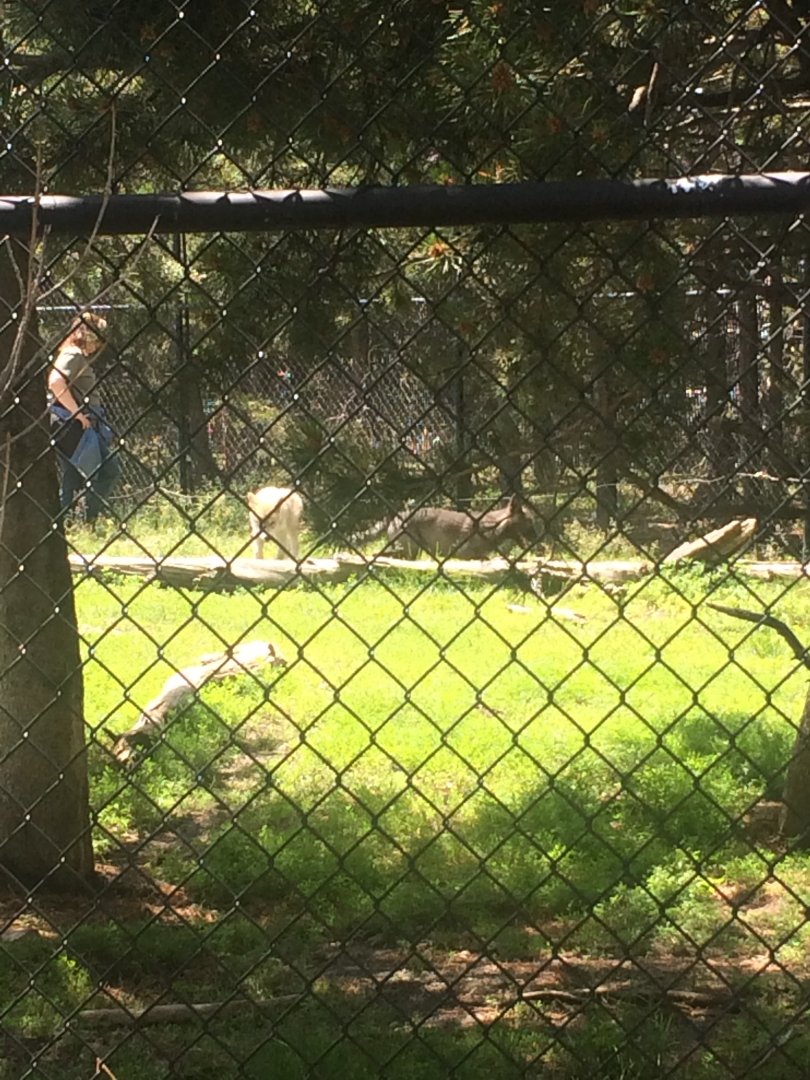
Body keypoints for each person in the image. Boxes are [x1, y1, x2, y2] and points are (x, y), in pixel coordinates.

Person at [47, 311, 121, 525]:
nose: (98, 346)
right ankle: (88, 520)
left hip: (73, 424)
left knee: (72, 475)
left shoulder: (74, 355)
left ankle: (65, 523)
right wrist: (77, 414)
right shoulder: (73, 354)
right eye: (97, 339)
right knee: (109, 470)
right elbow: (55, 382)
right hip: (73, 424)